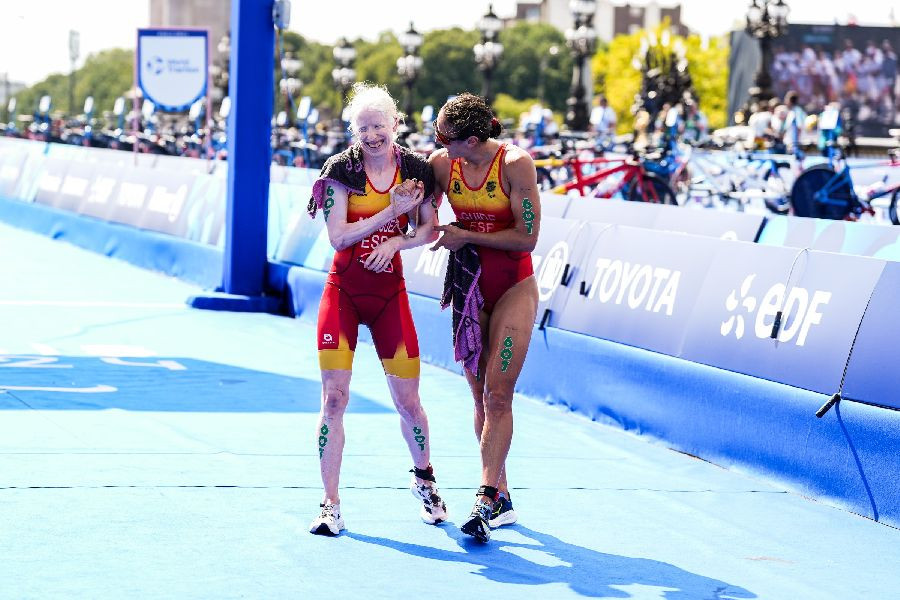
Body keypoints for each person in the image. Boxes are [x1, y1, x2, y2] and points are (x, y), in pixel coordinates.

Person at [305, 82, 447, 536]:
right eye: (362, 128)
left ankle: (424, 480)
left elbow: (429, 229)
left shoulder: (417, 170)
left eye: (378, 126)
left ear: (395, 124)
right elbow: (338, 237)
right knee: (334, 399)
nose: (371, 135)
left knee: (409, 403)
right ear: (354, 132)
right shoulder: (340, 170)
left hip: (389, 296)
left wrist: (395, 243)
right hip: (343, 293)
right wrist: (390, 213)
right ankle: (330, 503)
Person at [428, 93, 541, 542]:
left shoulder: (515, 164)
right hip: (470, 289)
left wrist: (467, 235)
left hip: (513, 288)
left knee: (498, 395)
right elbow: (420, 212)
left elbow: (527, 238)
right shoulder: (442, 164)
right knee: (479, 397)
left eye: (444, 138)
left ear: (472, 140)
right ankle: (501, 495)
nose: (438, 144)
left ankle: (484, 497)